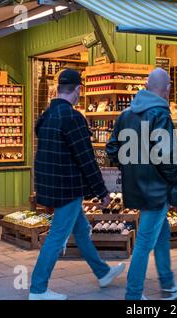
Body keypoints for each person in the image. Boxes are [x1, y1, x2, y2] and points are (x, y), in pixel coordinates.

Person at [29, 69, 125, 300]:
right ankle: (38, 289)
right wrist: (102, 192)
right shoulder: (73, 118)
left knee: (81, 230)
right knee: (57, 237)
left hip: (50, 185)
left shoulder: (46, 115)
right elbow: (86, 159)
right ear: (78, 90)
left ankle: (102, 273)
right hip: (68, 188)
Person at [106, 68, 177, 300]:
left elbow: (112, 149)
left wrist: (133, 167)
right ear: (167, 88)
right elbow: (166, 156)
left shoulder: (126, 114)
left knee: (161, 236)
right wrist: (175, 180)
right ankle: (133, 295)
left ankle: (168, 285)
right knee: (144, 243)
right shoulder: (160, 114)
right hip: (157, 189)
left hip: (136, 187)